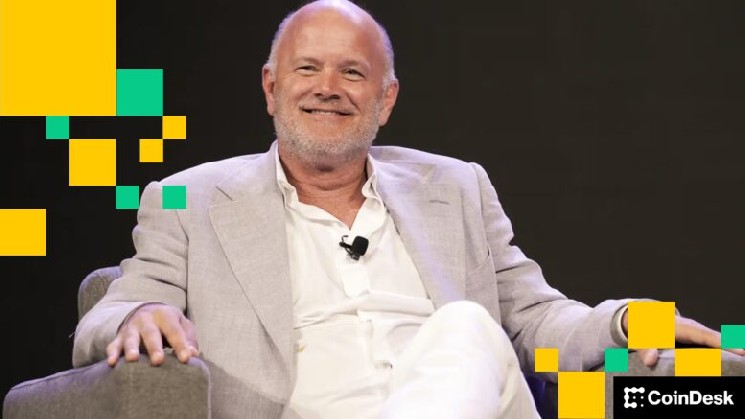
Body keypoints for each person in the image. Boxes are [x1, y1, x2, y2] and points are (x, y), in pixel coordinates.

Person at [72, 1, 742, 418]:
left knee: (464, 325)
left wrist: (629, 321)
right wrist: (137, 313)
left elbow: (535, 319)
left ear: (385, 99)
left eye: (352, 72)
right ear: (271, 88)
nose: (328, 88)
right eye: (307, 69)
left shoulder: (455, 187)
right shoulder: (189, 199)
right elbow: (105, 314)